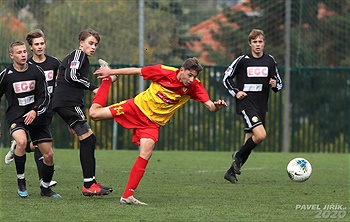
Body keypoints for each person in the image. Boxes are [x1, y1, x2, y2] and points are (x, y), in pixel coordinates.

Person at [89, 57, 227, 205]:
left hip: (152, 124)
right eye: (190, 75)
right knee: (94, 114)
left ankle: (127, 195)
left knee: (146, 153)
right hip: (136, 108)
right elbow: (137, 71)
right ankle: (108, 81)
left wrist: (216, 106)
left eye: (195, 77)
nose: (192, 79)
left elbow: (210, 106)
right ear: (182, 70)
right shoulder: (163, 71)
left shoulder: (194, 87)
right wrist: (110, 72)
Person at [52, 28, 112, 196]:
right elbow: (71, 76)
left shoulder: (80, 57)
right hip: (67, 102)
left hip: (68, 102)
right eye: (90, 43)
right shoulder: (78, 55)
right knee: (88, 139)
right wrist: (94, 88)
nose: (93, 47)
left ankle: (91, 182)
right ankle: (88, 185)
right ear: (81, 43)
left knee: (90, 139)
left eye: (96, 45)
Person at [0, 41, 61, 198]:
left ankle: (45, 188)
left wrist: (35, 111)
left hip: (36, 116)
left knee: (49, 155)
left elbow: (45, 96)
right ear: (11, 56)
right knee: (21, 142)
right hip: (17, 117)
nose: (23, 55)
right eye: (19, 52)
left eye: (24, 52)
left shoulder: (37, 71)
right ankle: (21, 181)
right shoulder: (6, 75)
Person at [222, 29, 283, 184]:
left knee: (250, 142)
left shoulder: (270, 60)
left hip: (261, 105)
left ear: (264, 43)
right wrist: (236, 92)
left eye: (260, 41)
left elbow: (278, 83)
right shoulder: (243, 60)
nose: (257, 45)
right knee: (261, 135)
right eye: (254, 42)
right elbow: (226, 77)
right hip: (246, 103)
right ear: (250, 43)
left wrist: (275, 84)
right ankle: (237, 156)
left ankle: (230, 173)